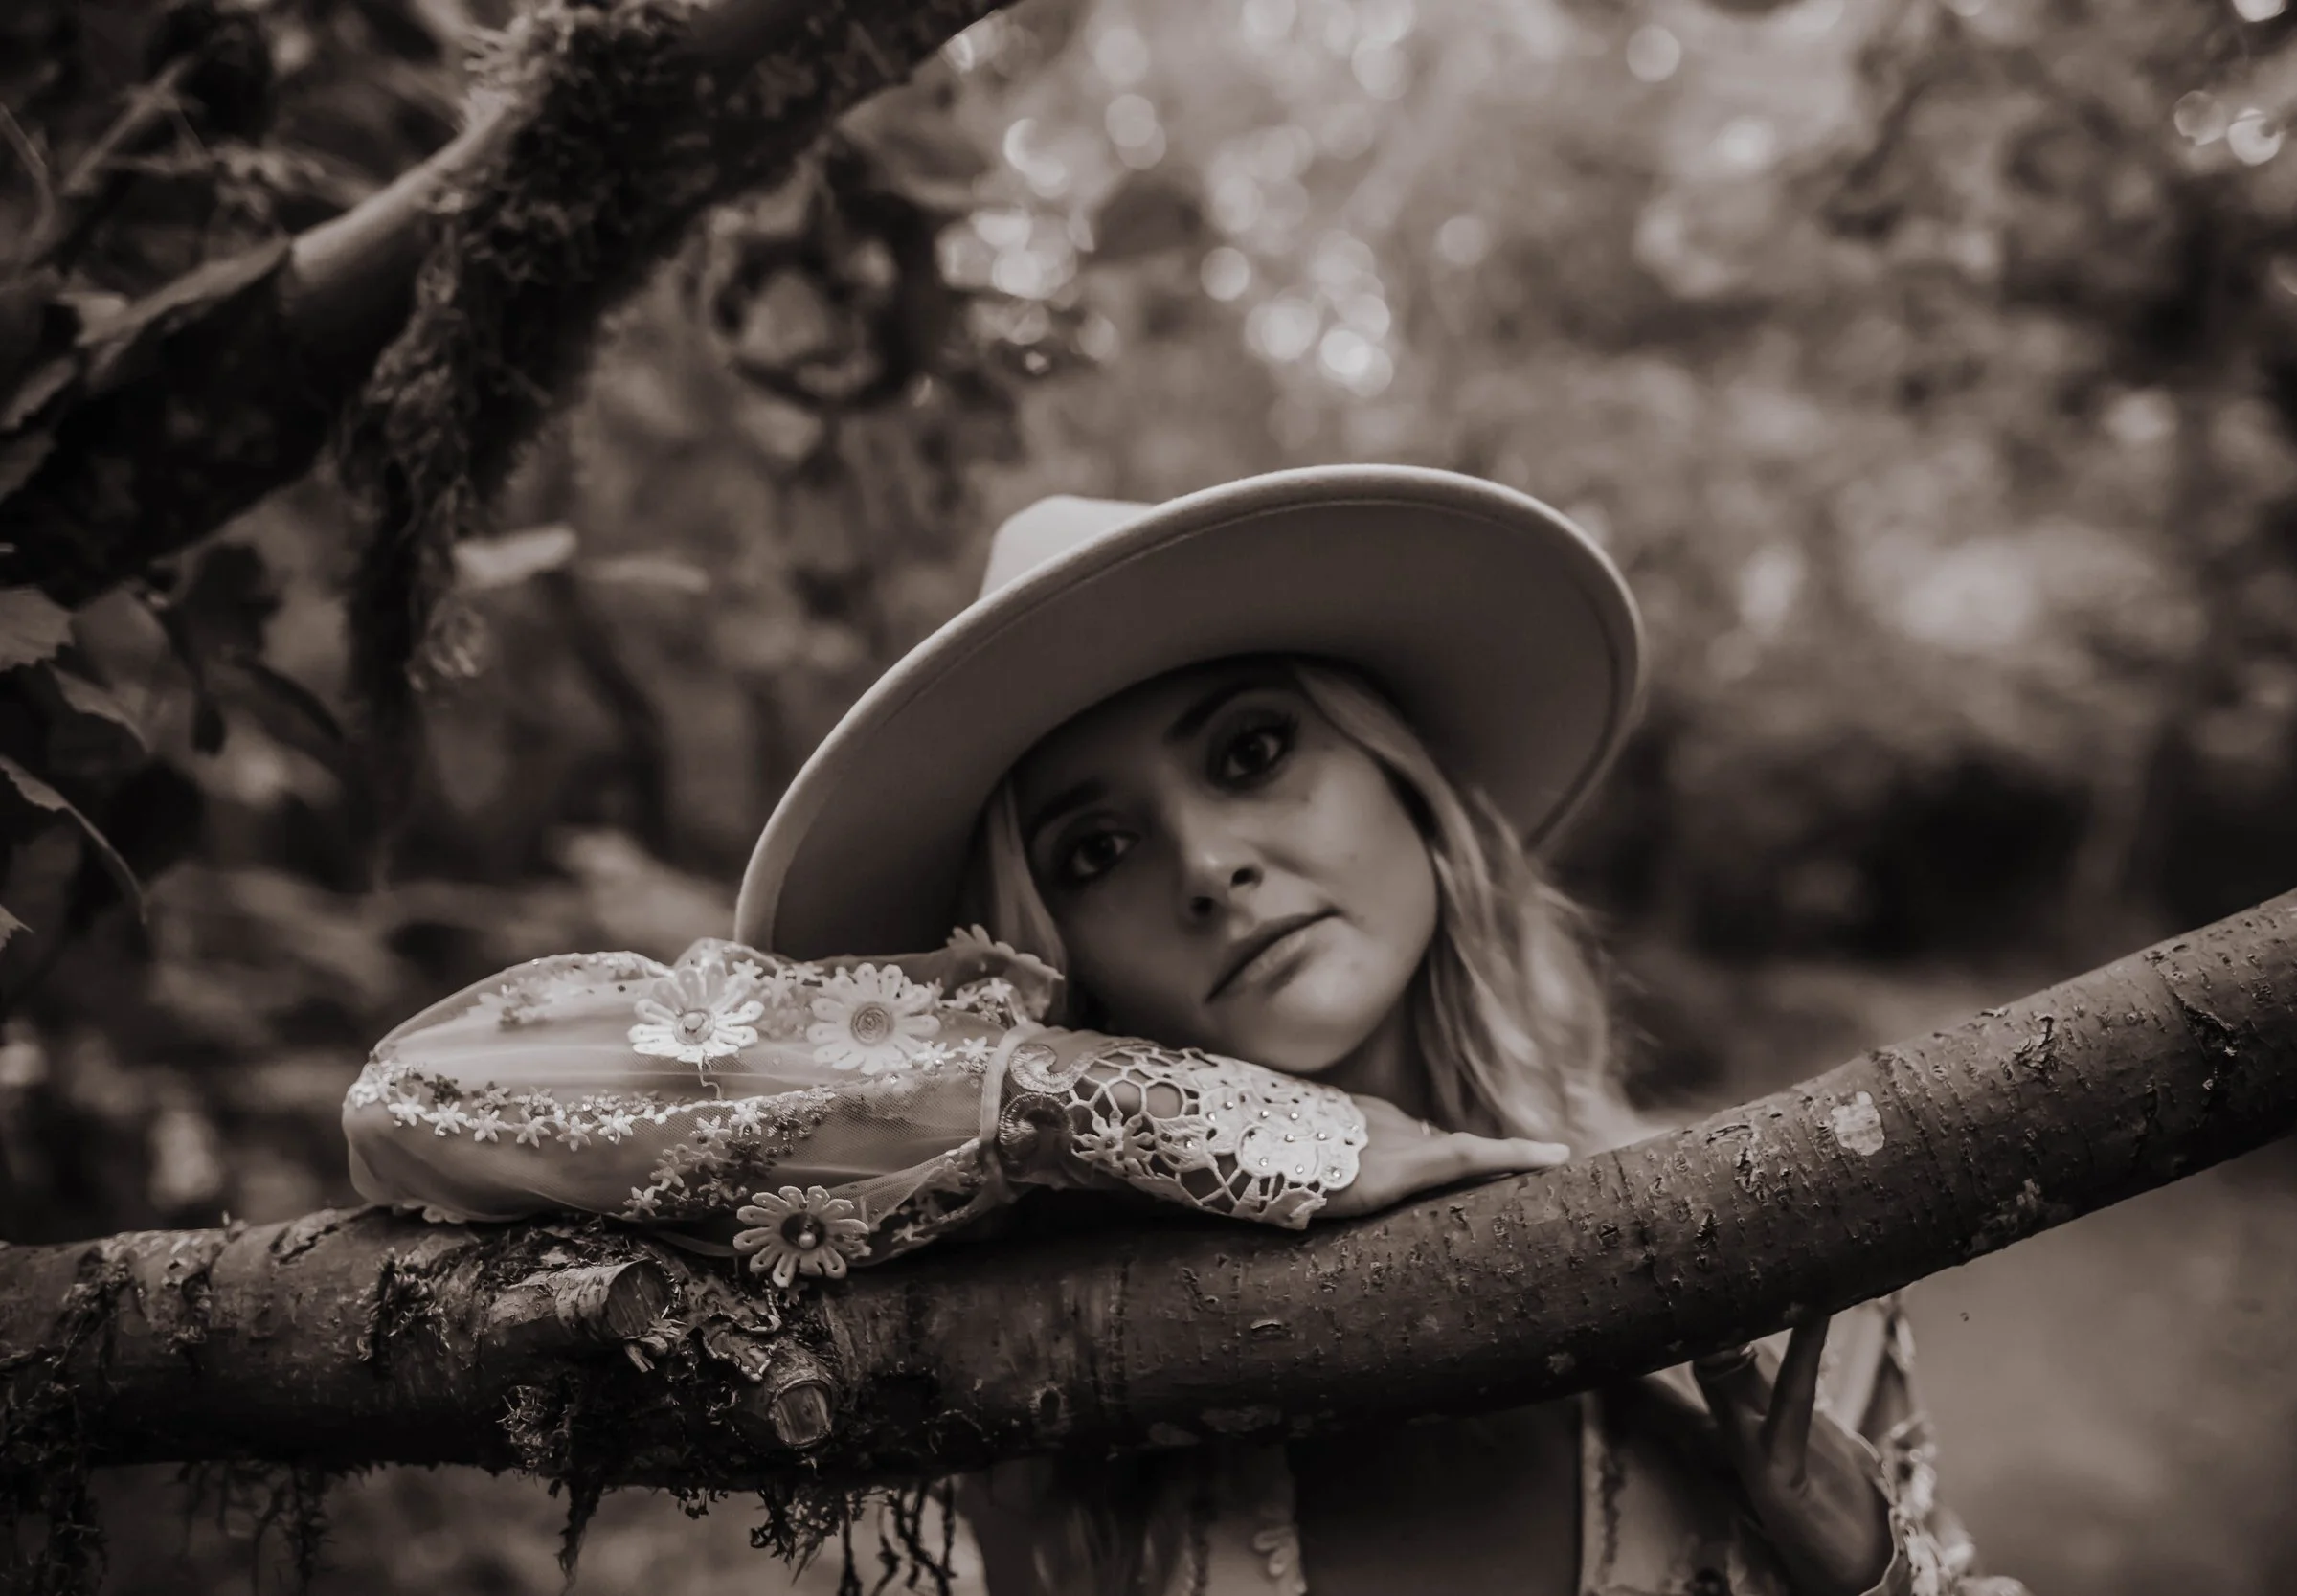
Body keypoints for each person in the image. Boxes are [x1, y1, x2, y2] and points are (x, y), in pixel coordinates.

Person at [345, 467, 2020, 1596]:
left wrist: (1863, 1566)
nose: (1208, 863)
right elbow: (430, 1088)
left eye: (1251, 751)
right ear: (1064, 950)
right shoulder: (1030, 1349)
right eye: (1093, 850)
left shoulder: (1763, 1271)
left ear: (1409, 787)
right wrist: (1177, 1120)